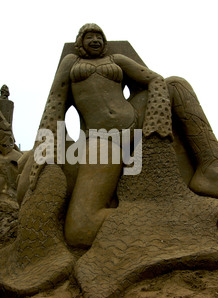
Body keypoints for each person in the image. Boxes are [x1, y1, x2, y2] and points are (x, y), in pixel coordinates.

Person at [29, 23, 172, 247]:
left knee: (177, 84)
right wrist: (45, 146)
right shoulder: (71, 63)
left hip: (133, 122)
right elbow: (55, 102)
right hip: (101, 137)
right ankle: (147, 216)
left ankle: (159, 219)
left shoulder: (117, 60)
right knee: (79, 228)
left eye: (99, 36)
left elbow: (154, 79)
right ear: (80, 42)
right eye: (89, 36)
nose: (95, 40)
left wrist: (157, 119)